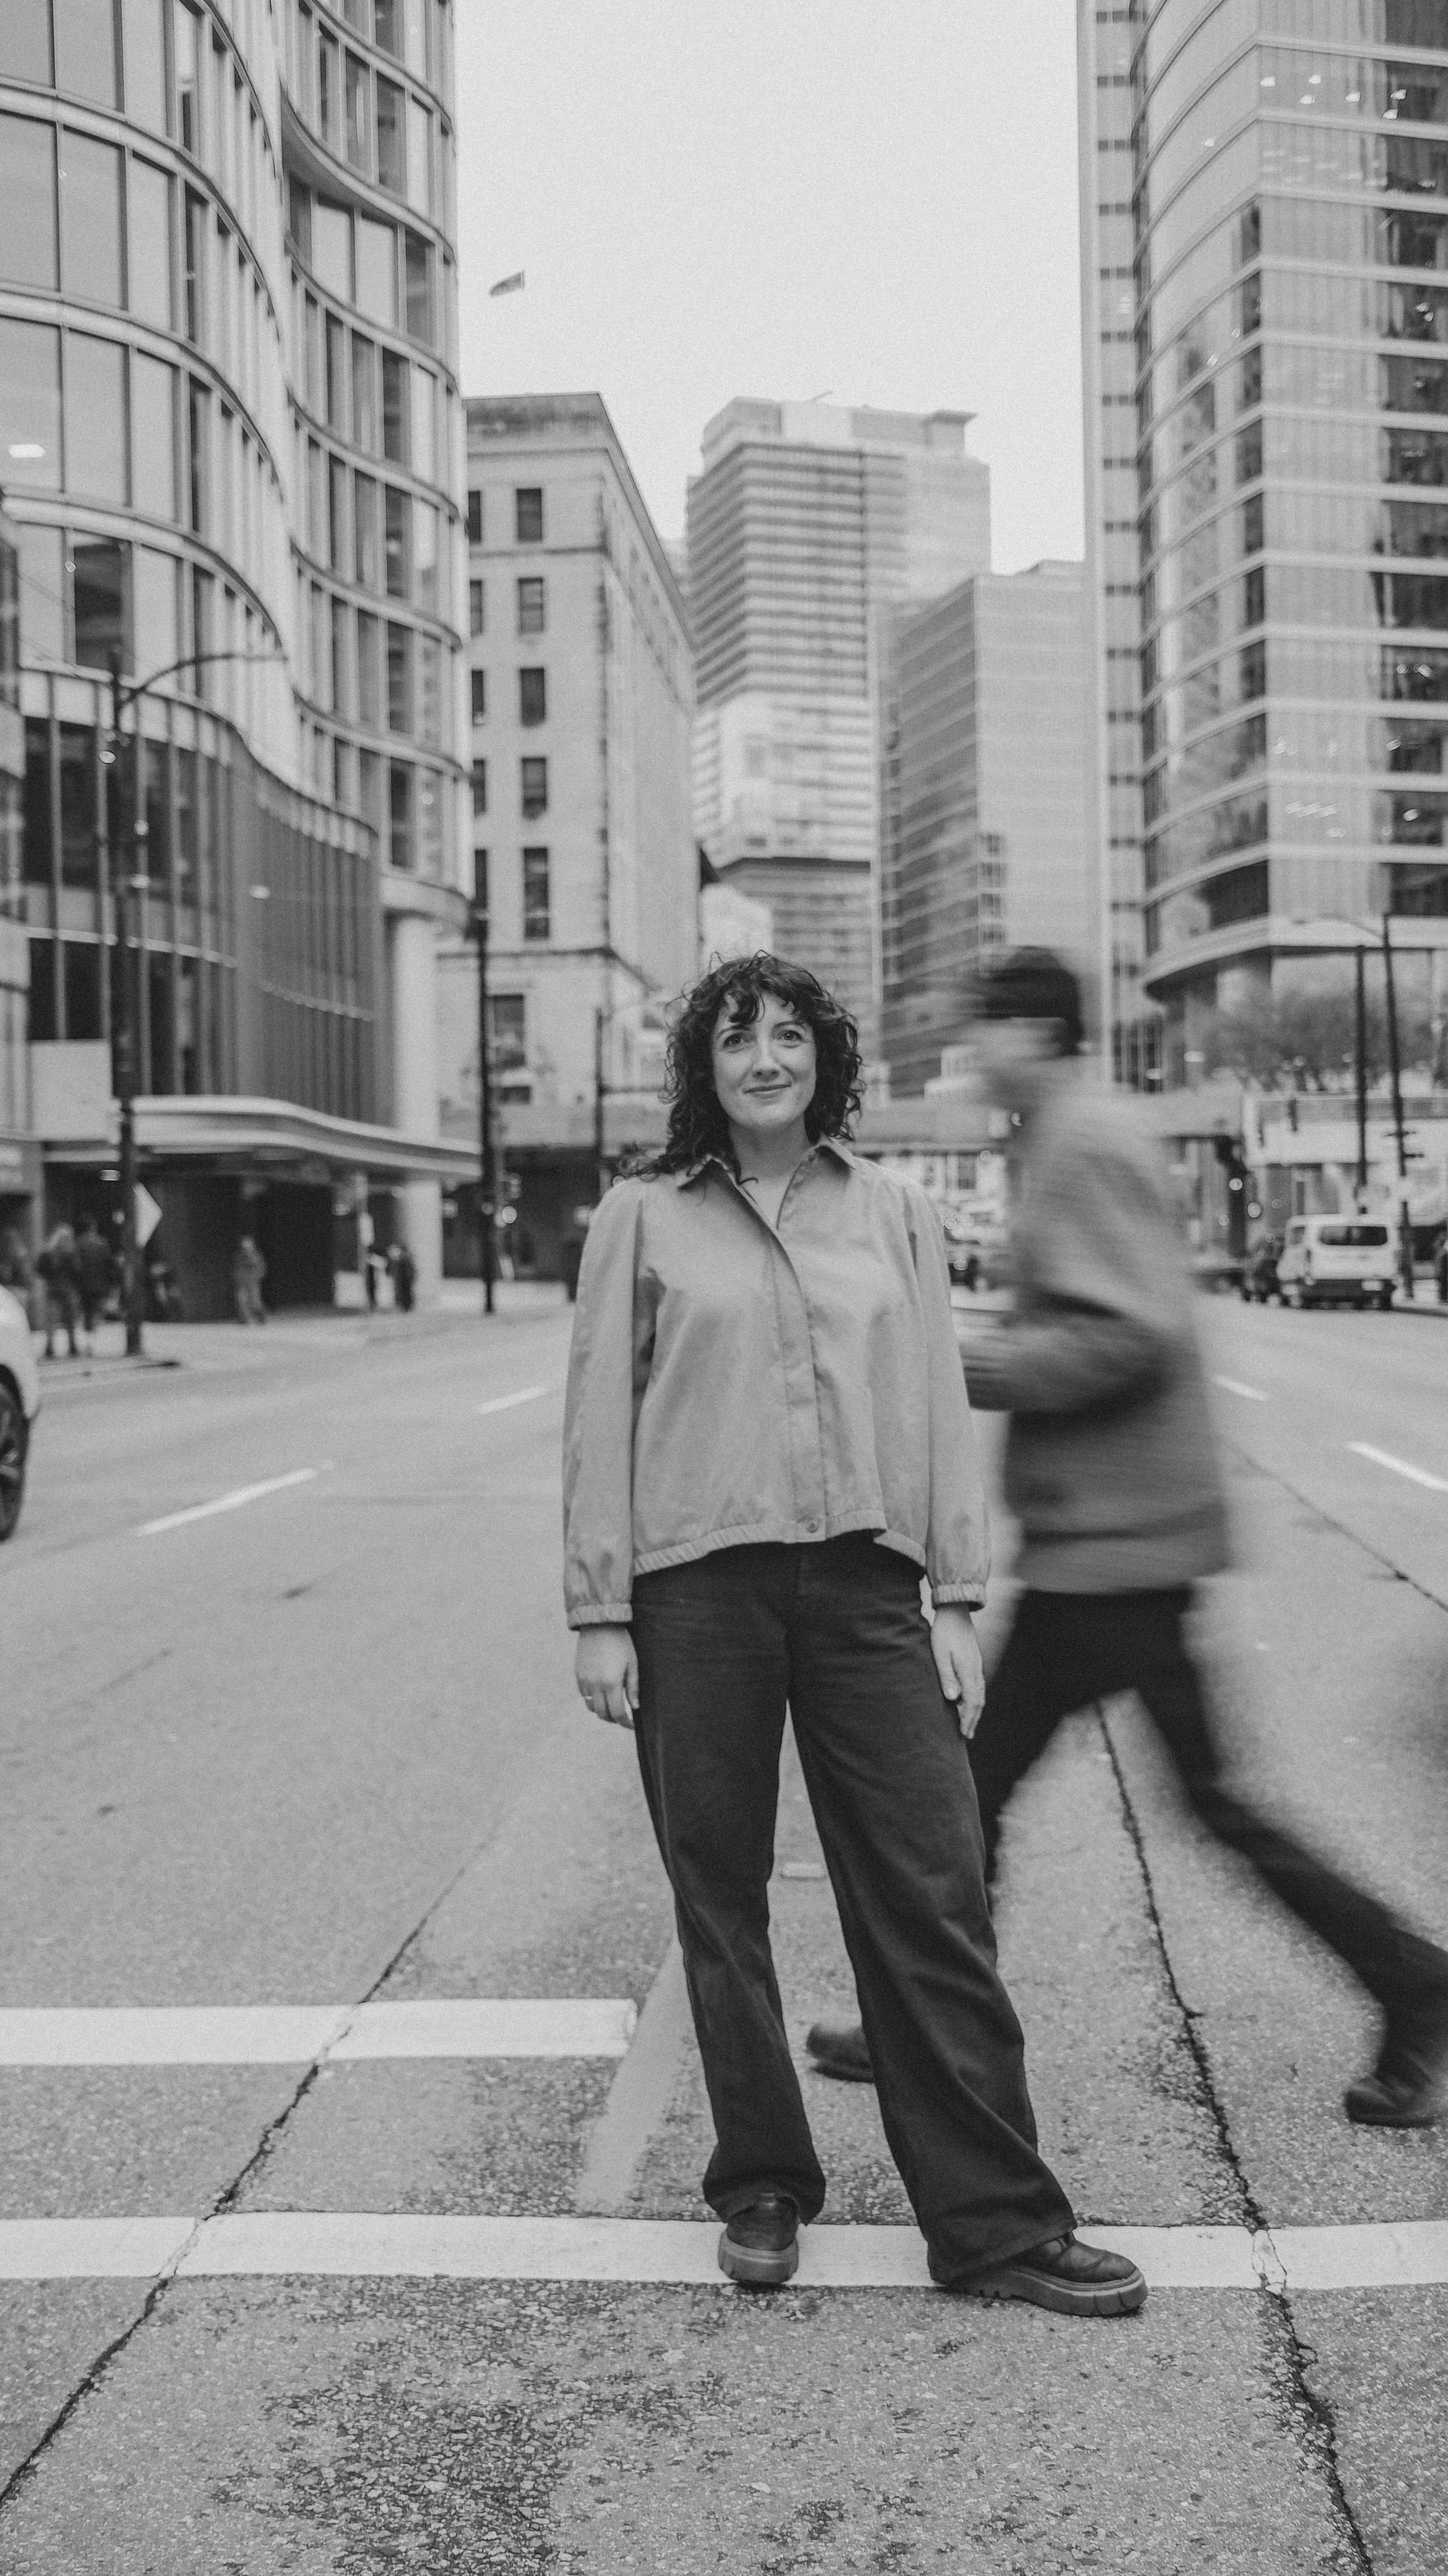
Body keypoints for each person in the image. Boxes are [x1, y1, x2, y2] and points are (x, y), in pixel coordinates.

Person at [563, 951, 1145, 2316]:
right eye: (734, 1039)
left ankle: (994, 2222)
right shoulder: (639, 1217)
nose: (764, 1058)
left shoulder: (890, 1210)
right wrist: (599, 1612)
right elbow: (598, 1418)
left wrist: (953, 1598)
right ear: (702, 1068)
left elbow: (934, 1404)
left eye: (787, 1034)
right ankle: (761, 2183)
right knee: (718, 1897)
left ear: (824, 1055)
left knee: (930, 1890)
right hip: (693, 1591)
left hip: (864, 1588)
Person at [808, 948, 1448, 2129]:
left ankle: (928, 2026)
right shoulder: (1063, 1134)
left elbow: (1127, 1334)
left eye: (984, 1030)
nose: (971, 1054)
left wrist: (951, 1363)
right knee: (1145, 1798)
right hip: (1113, 1543)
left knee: (976, 1790)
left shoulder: (1084, 1141)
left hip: (1116, 1549)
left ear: (1037, 1034)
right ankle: (1410, 1984)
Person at [36, 1221, 82, 1360]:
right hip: (68, 1289)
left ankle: (49, 1348)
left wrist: (49, 1278)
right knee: (70, 1320)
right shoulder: (71, 1254)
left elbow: (39, 1269)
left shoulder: (47, 1253)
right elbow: (77, 1272)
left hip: (51, 1289)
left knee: (51, 1321)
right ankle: (73, 1347)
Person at [74, 1216, 115, 1347]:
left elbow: (76, 1265)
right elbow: (109, 1264)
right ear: (93, 1228)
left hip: (83, 1283)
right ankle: (93, 1336)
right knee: (96, 1309)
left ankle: (88, 1338)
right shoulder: (102, 1243)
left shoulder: (79, 1243)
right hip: (99, 1282)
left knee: (87, 1310)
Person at [232, 1233, 268, 1324]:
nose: (246, 1247)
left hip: (252, 1281)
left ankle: (261, 1318)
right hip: (242, 1281)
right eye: (244, 1245)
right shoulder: (239, 1256)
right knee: (242, 1300)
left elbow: (260, 1267)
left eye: (248, 1244)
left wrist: (257, 1277)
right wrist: (237, 1278)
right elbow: (237, 1268)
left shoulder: (256, 1255)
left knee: (255, 1301)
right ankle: (244, 1319)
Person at [389, 1242, 416, 1312]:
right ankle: (404, 1306)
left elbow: (409, 1269)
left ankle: (406, 1306)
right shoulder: (400, 1258)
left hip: (405, 1279)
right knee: (403, 1292)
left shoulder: (404, 1258)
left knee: (406, 1292)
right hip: (402, 1279)